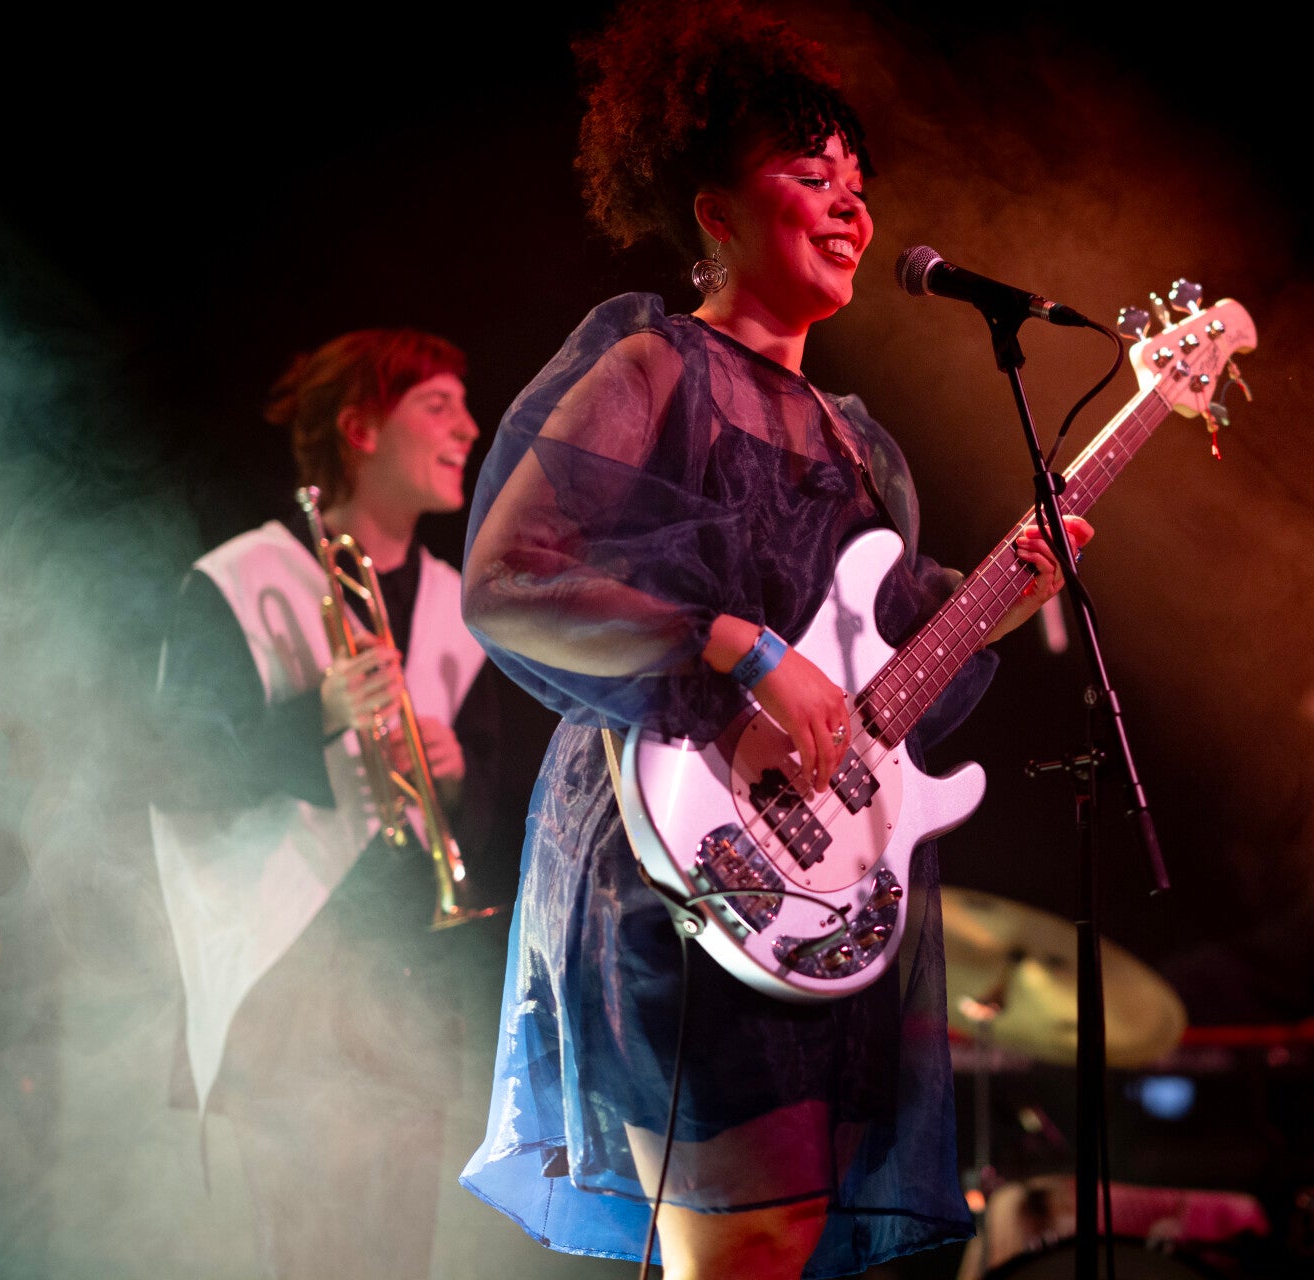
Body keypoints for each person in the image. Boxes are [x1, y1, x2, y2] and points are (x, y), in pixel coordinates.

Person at [454, 5, 1092, 1278]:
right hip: (670, 850)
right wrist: (737, 644)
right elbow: (508, 580)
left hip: (810, 881)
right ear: (715, 211)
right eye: (811, 176)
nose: (852, 205)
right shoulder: (655, 364)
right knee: (742, 1248)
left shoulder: (859, 441)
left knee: (773, 1245)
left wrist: (1005, 596)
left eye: (859, 181)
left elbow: (877, 690)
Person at [150, 329, 531, 1279]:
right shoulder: (241, 579)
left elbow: (487, 814)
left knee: (401, 1258)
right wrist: (316, 717)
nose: (469, 429)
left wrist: (455, 778)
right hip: (290, 977)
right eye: (436, 407)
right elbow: (170, 769)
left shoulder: (457, 605)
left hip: (409, 981)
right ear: (360, 430)